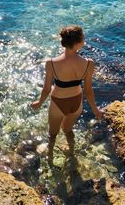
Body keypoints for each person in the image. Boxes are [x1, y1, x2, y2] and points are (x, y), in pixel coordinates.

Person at [30, 25, 102, 165]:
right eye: (83, 37)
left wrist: (39, 103)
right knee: (68, 130)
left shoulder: (51, 63)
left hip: (58, 103)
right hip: (76, 103)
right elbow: (88, 91)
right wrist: (95, 110)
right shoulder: (88, 64)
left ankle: (49, 159)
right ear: (79, 42)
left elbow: (46, 90)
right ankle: (72, 155)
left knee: (52, 134)